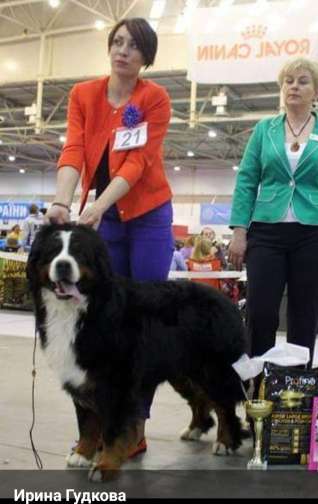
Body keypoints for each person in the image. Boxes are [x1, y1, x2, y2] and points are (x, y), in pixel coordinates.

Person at [46, 18, 173, 453]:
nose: (122, 51)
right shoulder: (83, 94)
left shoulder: (153, 98)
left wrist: (97, 206)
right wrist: (64, 201)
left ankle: (135, 425)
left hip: (147, 216)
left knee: (145, 319)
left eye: (133, 46)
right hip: (104, 219)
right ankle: (96, 424)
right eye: (117, 42)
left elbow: (137, 164)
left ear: (146, 57)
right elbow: (74, 150)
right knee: (101, 318)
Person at [228, 57, 318, 365]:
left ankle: (295, 394)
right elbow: (246, 180)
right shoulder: (263, 130)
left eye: (302, 81)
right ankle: (256, 387)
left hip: (316, 232)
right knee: (260, 312)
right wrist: (239, 231)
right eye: (289, 81)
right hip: (267, 230)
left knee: (304, 313)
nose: (294, 86)